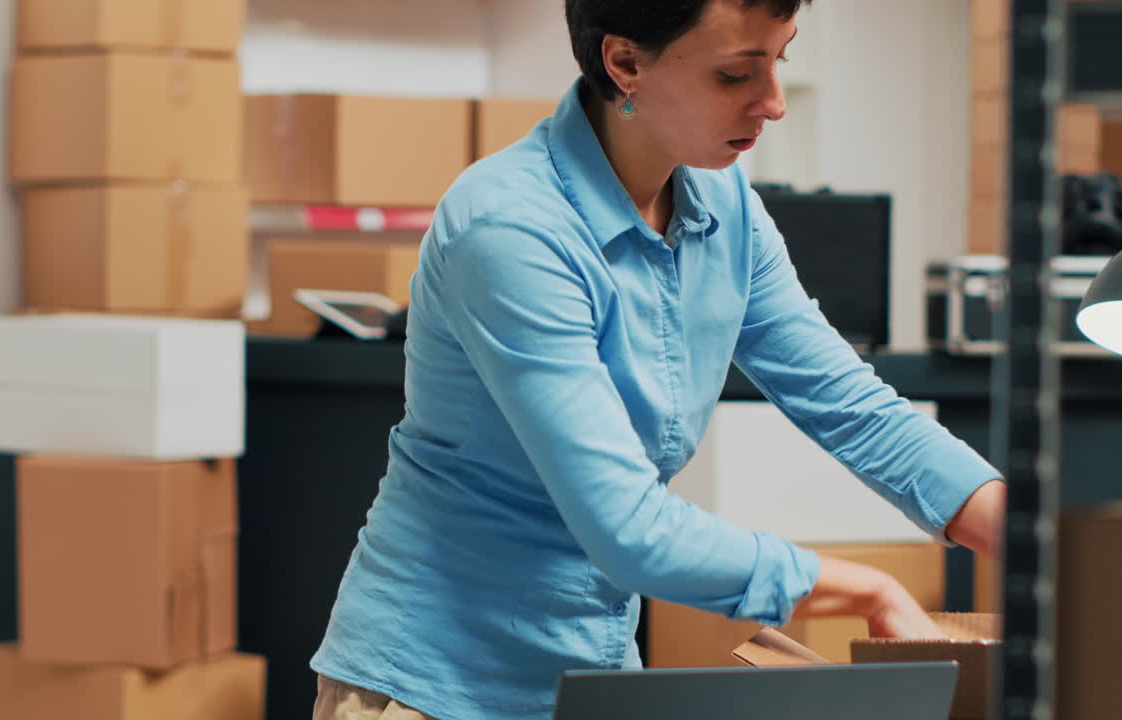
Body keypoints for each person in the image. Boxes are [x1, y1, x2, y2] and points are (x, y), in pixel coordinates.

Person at [310, 1, 1006, 718]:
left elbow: (856, 411)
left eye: (780, 59)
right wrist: (870, 588)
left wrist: (1035, 540)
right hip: (432, 684)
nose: (772, 103)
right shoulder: (510, 228)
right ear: (625, 64)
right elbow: (627, 528)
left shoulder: (722, 206)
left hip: (593, 670)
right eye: (737, 73)